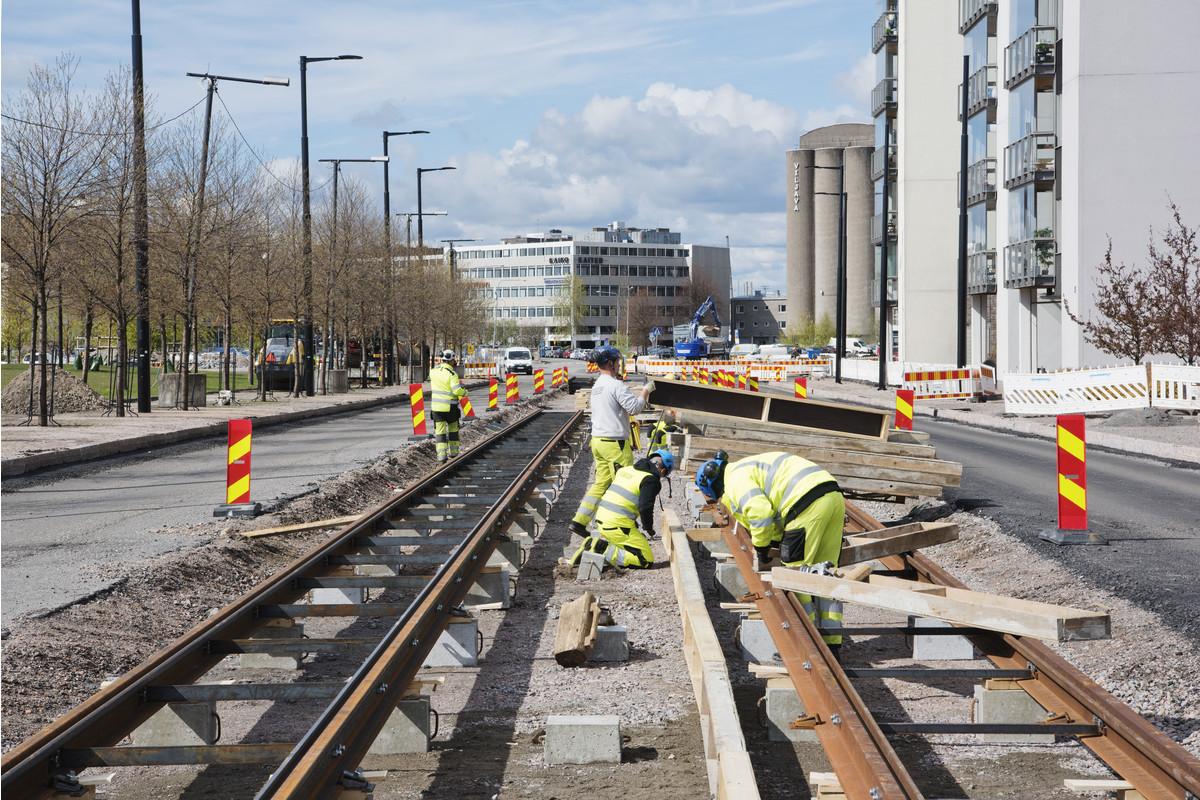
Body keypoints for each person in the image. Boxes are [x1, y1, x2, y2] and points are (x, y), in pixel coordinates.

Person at [695, 451, 847, 657]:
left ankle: (807, 645)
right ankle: (832, 643)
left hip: (805, 506)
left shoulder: (735, 482)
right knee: (825, 573)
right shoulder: (745, 466)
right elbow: (772, 514)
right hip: (833, 496)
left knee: (796, 577)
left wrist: (761, 548)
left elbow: (761, 513)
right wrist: (773, 540)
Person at [570, 346, 653, 536]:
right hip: (615, 443)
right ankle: (626, 524)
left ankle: (579, 521)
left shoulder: (597, 385)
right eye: (617, 361)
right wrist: (645, 391)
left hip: (598, 441)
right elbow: (634, 408)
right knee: (626, 484)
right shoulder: (615, 385)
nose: (618, 364)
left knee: (601, 483)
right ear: (610, 363)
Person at [570, 449, 673, 569]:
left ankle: (591, 543)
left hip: (601, 519)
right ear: (663, 470)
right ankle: (601, 549)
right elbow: (645, 507)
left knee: (632, 545)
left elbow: (622, 499)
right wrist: (648, 528)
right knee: (645, 559)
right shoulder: (651, 480)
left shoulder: (626, 470)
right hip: (616, 525)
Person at [430, 349, 468, 462]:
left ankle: (441, 455)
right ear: (451, 360)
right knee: (453, 430)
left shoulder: (433, 372)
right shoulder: (452, 374)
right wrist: (465, 392)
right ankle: (454, 452)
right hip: (450, 408)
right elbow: (456, 391)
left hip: (437, 408)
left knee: (440, 432)